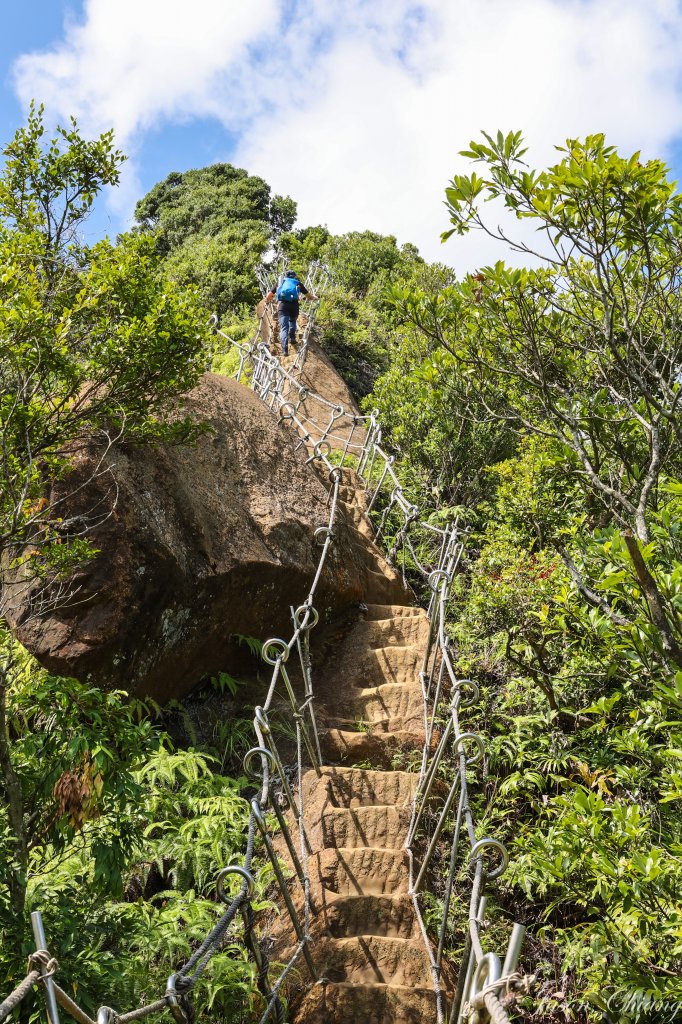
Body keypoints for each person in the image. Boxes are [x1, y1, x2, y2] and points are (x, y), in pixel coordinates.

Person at [265, 270, 318, 357]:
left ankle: (285, 350)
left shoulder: (280, 282)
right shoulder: (298, 284)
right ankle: (292, 338)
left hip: (283, 306)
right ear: (294, 276)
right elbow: (309, 296)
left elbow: (268, 296)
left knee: (284, 327)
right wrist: (314, 297)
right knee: (292, 321)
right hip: (294, 306)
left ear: (286, 276)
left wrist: (268, 301)